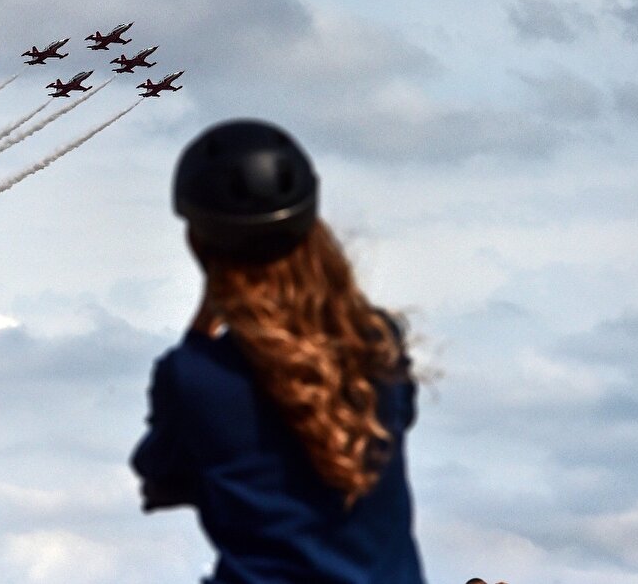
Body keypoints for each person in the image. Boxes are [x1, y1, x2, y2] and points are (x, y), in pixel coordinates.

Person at [131, 119, 426, 584]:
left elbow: (160, 475)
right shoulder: (375, 344)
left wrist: (201, 326)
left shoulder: (194, 376)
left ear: (199, 243)